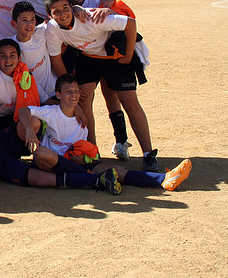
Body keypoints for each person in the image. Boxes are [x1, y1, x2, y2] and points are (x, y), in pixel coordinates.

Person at [44, 0, 159, 171]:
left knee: (130, 103)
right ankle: (93, 152)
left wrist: (128, 56)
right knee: (82, 100)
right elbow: (56, 60)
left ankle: (148, 154)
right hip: (89, 58)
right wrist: (70, 87)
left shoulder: (91, 17)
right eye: (56, 11)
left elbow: (130, 23)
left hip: (114, 56)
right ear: (49, 15)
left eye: (66, 8)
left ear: (72, 8)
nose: (62, 14)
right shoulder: (52, 28)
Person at [19, 74, 192, 192]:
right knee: (41, 153)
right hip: (52, 164)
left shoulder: (81, 121)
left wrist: (85, 159)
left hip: (77, 165)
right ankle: (90, 177)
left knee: (117, 170)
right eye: (68, 92)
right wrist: (29, 130)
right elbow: (24, 110)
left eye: (76, 91)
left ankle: (163, 179)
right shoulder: (52, 111)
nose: (73, 95)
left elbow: (84, 150)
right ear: (58, 95)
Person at [0, 110, 121, 194]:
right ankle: (95, 180)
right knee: (41, 180)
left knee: (29, 124)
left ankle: (82, 168)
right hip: (2, 168)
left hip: (0, 145)